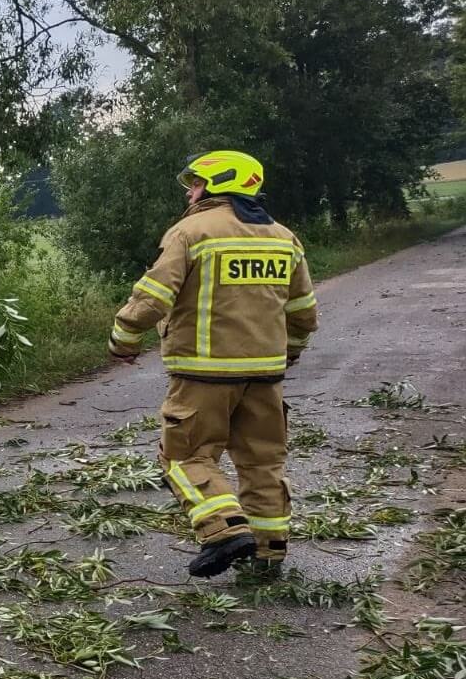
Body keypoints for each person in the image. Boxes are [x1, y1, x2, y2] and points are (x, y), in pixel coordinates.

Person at [107, 151, 319, 578]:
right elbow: (303, 314)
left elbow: (153, 296)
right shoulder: (283, 237)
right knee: (262, 464)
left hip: (203, 373)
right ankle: (268, 556)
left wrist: (123, 338)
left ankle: (222, 530)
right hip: (265, 377)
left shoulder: (191, 232)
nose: (190, 191)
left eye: (196, 182)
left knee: (183, 456)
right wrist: (288, 352)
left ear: (218, 185)